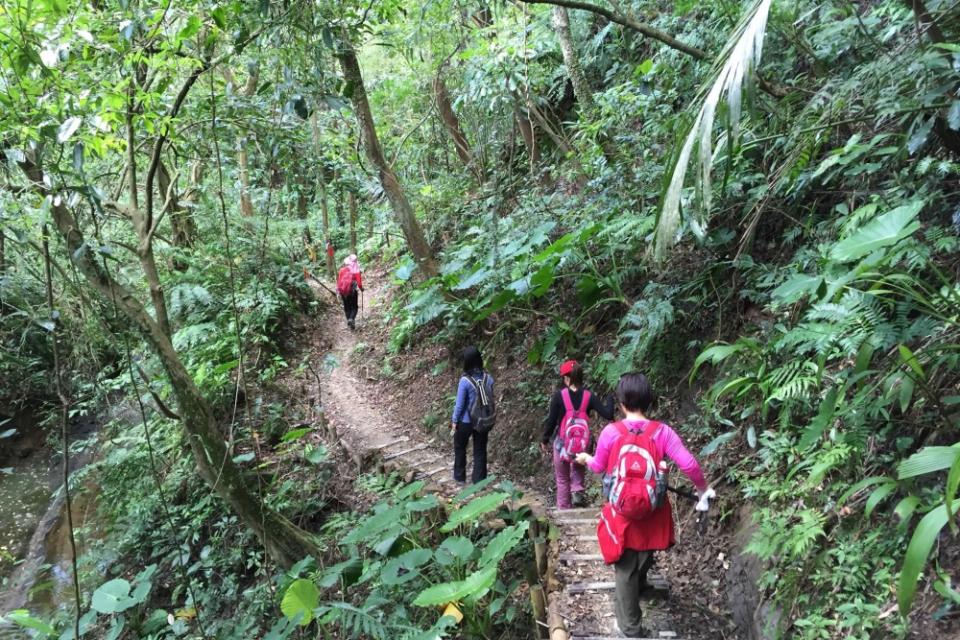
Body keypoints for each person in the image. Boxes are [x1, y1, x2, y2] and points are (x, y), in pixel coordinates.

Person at [575, 373, 714, 638]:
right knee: (645, 551)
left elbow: (599, 467)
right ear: (649, 401)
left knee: (625, 567)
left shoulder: (610, 432)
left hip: (622, 510)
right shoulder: (662, 432)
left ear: (621, 402)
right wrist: (702, 490)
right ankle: (640, 589)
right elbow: (689, 464)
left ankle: (629, 628)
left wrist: (585, 458)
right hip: (652, 509)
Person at [541, 360, 614, 509]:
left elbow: (551, 421)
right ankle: (577, 491)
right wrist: (610, 398)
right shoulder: (589, 396)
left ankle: (564, 508)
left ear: (567, 378)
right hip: (582, 446)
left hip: (562, 445)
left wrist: (545, 439)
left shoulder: (558, 396)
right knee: (578, 468)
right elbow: (608, 414)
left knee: (562, 478)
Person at [450, 346, 493, 484]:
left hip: (466, 421)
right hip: (482, 420)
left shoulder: (465, 381)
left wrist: (454, 421)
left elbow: (460, 404)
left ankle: (459, 477)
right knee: (480, 450)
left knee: (460, 447)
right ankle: (479, 481)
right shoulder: (489, 378)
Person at [336, 254, 363, 329]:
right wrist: (361, 289)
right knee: (354, 307)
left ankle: (349, 320)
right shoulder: (356, 270)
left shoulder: (341, 270)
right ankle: (351, 319)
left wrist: (338, 291)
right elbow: (359, 283)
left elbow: (339, 281)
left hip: (343, 292)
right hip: (352, 291)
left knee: (347, 307)